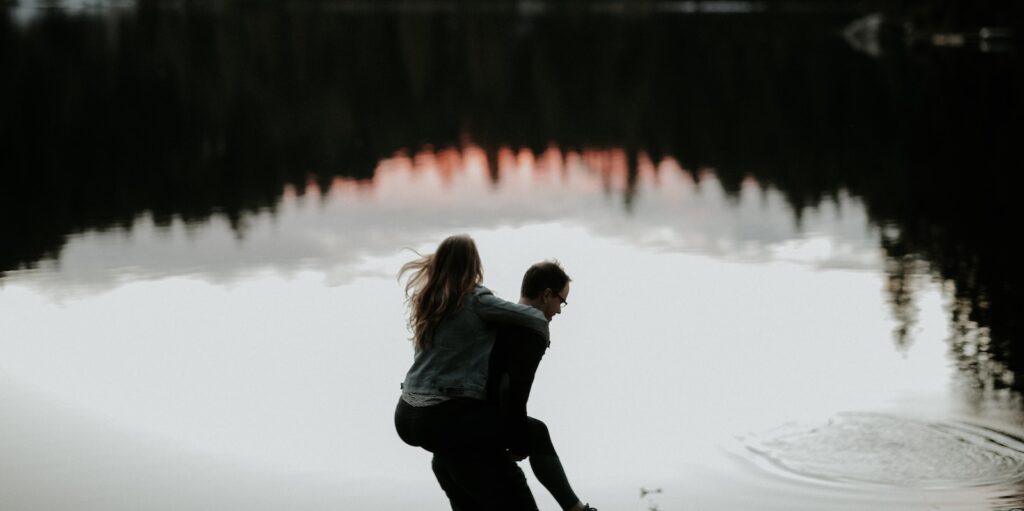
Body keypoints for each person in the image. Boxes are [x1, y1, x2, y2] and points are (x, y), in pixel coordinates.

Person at [393, 235, 595, 510]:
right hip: (443, 414)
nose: (560, 310)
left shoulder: (431, 303)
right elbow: (529, 320)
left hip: (407, 414)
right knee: (534, 432)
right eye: (561, 301)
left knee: (456, 461)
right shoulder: (475, 299)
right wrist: (516, 437)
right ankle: (575, 509)